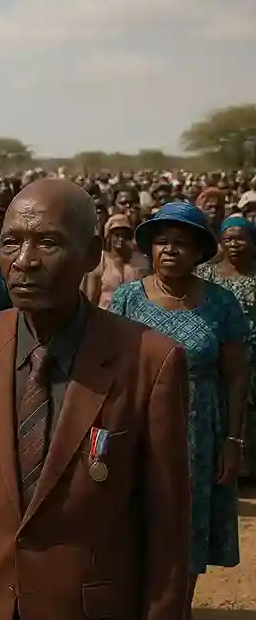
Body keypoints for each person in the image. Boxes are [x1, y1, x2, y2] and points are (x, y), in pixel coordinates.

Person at [0, 179, 191, 620]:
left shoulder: (150, 361)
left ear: (91, 254)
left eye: (48, 243)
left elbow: (167, 526)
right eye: (11, 242)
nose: (24, 261)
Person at [109, 201, 249, 609]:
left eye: (181, 243)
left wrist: (232, 440)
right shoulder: (127, 298)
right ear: (151, 248)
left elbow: (236, 375)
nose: (170, 250)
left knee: (187, 524)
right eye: (162, 242)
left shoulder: (222, 303)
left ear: (199, 252)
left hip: (199, 431)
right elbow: (108, 368)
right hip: (137, 427)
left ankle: (178, 608)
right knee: (133, 518)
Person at [196, 215, 256, 478]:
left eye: (241, 239)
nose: (234, 244)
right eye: (228, 239)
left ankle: (247, 468)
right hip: (215, 352)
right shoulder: (205, 274)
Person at [83, 214, 149, 309]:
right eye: (117, 235)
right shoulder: (101, 260)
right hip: (105, 312)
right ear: (109, 236)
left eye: (124, 236)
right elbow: (91, 297)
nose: (121, 239)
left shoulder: (137, 261)